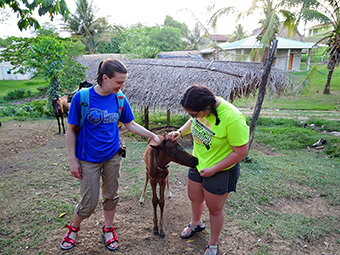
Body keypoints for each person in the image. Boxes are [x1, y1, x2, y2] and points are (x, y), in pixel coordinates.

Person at [60, 58, 160, 251]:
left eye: (123, 82)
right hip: (87, 158)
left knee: (111, 195)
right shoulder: (82, 98)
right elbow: (71, 130)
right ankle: (73, 228)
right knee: (89, 202)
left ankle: (108, 229)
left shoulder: (119, 98)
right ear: (105, 78)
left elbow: (129, 124)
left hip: (112, 156)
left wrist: (153, 135)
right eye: (118, 82)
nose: (122, 86)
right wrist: (73, 160)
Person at [168, 85, 249, 255]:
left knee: (215, 209)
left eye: (193, 113)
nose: (192, 117)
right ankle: (196, 223)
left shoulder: (232, 118)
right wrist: (180, 132)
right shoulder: (203, 108)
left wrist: (214, 169)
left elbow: (241, 151)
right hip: (199, 163)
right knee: (194, 197)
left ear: (207, 107)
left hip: (221, 169)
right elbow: (195, 120)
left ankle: (213, 244)